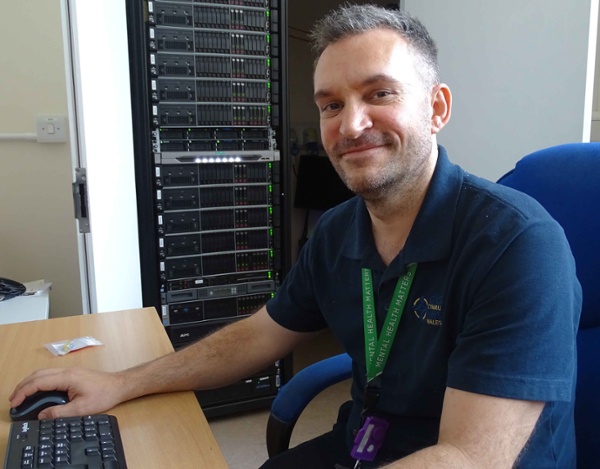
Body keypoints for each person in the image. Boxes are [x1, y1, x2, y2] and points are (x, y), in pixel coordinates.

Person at [10, 4, 581, 469]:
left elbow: (470, 457)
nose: (350, 125)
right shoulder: (338, 230)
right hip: (364, 446)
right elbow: (259, 335)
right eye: (331, 104)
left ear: (436, 108)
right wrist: (119, 384)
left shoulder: (517, 244)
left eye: (379, 94)